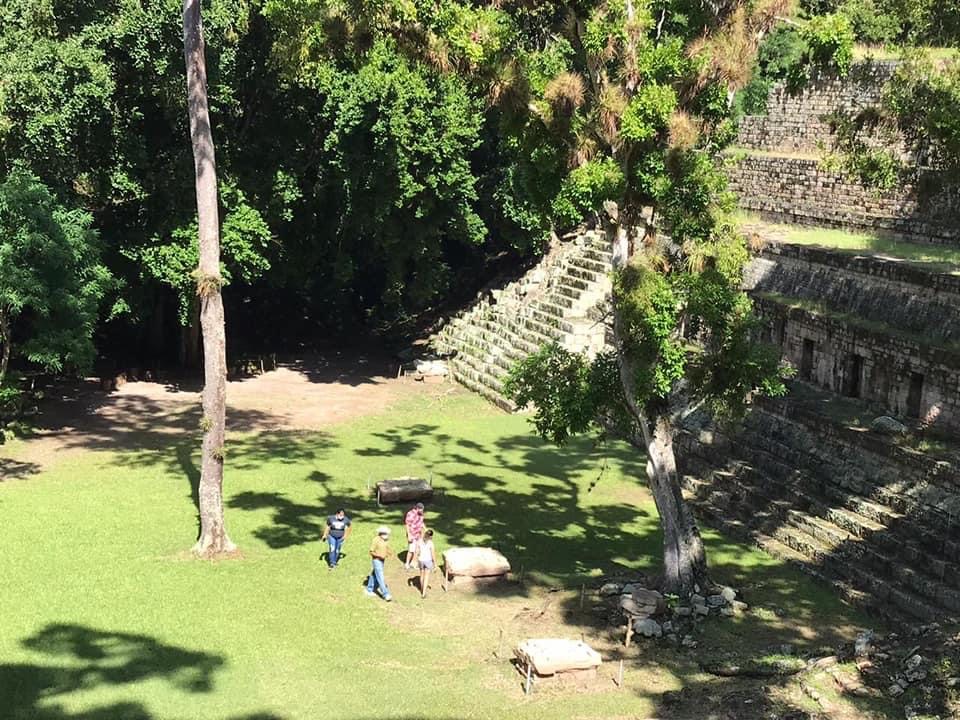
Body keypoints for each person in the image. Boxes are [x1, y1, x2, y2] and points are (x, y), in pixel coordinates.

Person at [366, 526, 393, 601]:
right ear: (381, 533)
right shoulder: (376, 540)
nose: (387, 535)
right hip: (377, 560)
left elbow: (386, 547)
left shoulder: (385, 540)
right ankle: (385, 594)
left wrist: (389, 552)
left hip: (382, 560)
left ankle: (369, 589)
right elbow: (371, 552)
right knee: (380, 576)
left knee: (374, 574)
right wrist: (379, 556)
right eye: (385, 533)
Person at [411, 528, 437, 599]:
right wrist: (435, 564)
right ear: (431, 536)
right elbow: (433, 554)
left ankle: (422, 588)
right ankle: (423, 593)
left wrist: (414, 560)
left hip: (421, 560)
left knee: (421, 575)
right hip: (428, 561)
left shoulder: (419, 541)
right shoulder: (431, 543)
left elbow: (416, 552)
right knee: (426, 577)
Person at [404, 502, 425, 570]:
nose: (422, 511)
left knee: (418, 549)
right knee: (411, 549)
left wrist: (425, 529)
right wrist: (409, 535)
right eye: (421, 509)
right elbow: (407, 525)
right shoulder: (410, 514)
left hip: (418, 534)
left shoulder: (421, 514)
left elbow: (422, 522)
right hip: (412, 534)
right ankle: (407, 563)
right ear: (417, 508)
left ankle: (414, 563)